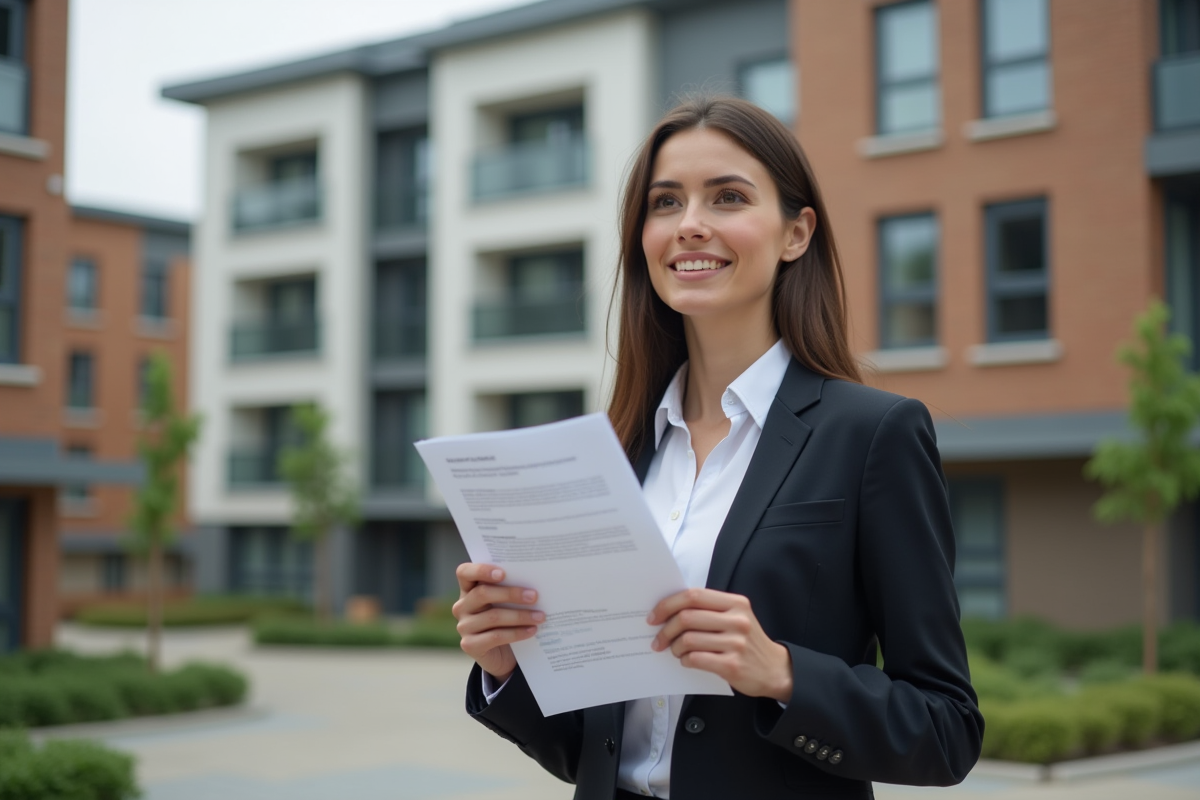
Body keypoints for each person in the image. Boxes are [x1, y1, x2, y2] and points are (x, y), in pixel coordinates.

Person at [452, 95, 983, 800]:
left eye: (727, 197)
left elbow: (946, 732)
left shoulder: (872, 434)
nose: (691, 226)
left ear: (796, 233)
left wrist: (782, 673)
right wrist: (506, 668)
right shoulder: (615, 447)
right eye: (665, 203)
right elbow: (597, 753)